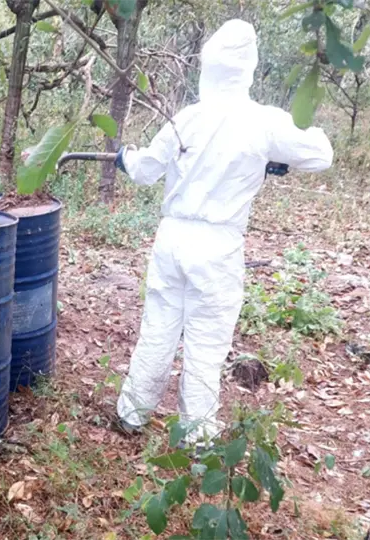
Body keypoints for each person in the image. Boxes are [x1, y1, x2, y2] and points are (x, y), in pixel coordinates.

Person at [113, 19, 333, 443]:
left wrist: (126, 156)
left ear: (207, 68)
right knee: (205, 347)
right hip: (217, 248)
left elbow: (143, 171)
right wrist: (273, 158)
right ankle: (197, 441)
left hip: (171, 240)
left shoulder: (187, 118)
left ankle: (132, 414)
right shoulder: (264, 123)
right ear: (248, 69)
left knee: (157, 330)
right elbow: (320, 152)